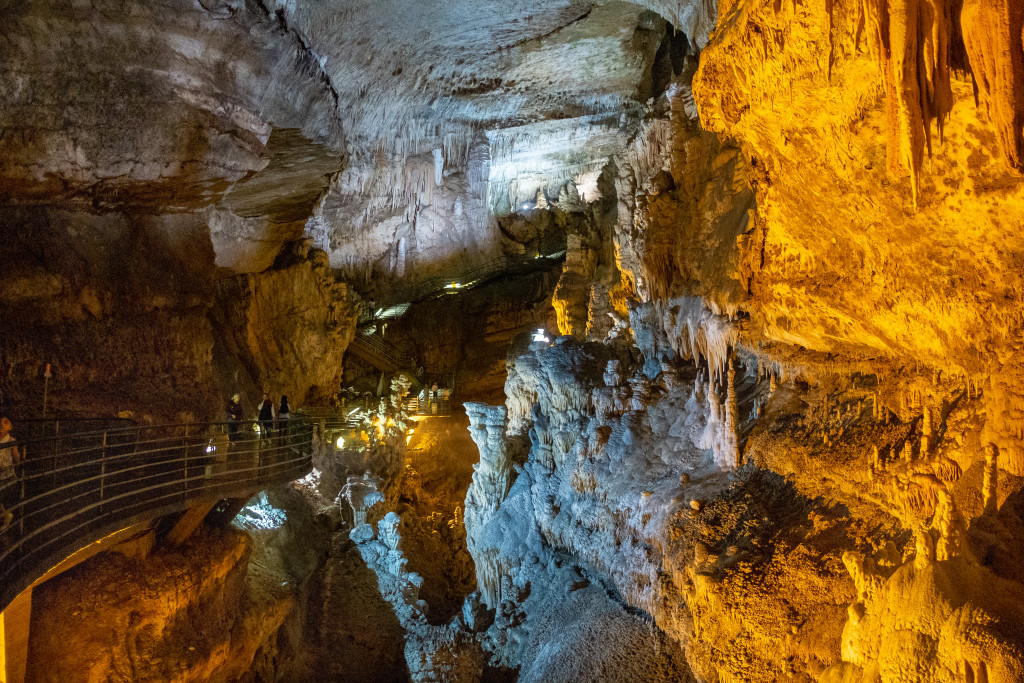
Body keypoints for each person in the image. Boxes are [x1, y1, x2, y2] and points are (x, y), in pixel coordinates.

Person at [0, 415, 23, 528]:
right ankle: (5, 515)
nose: (1, 424)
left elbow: (16, 460)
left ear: (10, 427)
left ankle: (4, 515)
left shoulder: (11, 441)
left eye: (5, 422)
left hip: (7, 476)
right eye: (0, 422)